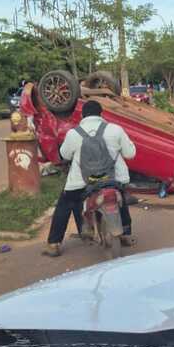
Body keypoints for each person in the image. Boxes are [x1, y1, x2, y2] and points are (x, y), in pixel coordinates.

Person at [43, 99, 136, 257]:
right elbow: (130, 154)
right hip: (114, 179)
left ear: (83, 116)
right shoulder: (115, 129)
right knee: (119, 195)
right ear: (101, 114)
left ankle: (54, 244)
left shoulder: (73, 133)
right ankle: (126, 234)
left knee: (66, 203)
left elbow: (64, 155)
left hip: (83, 182)